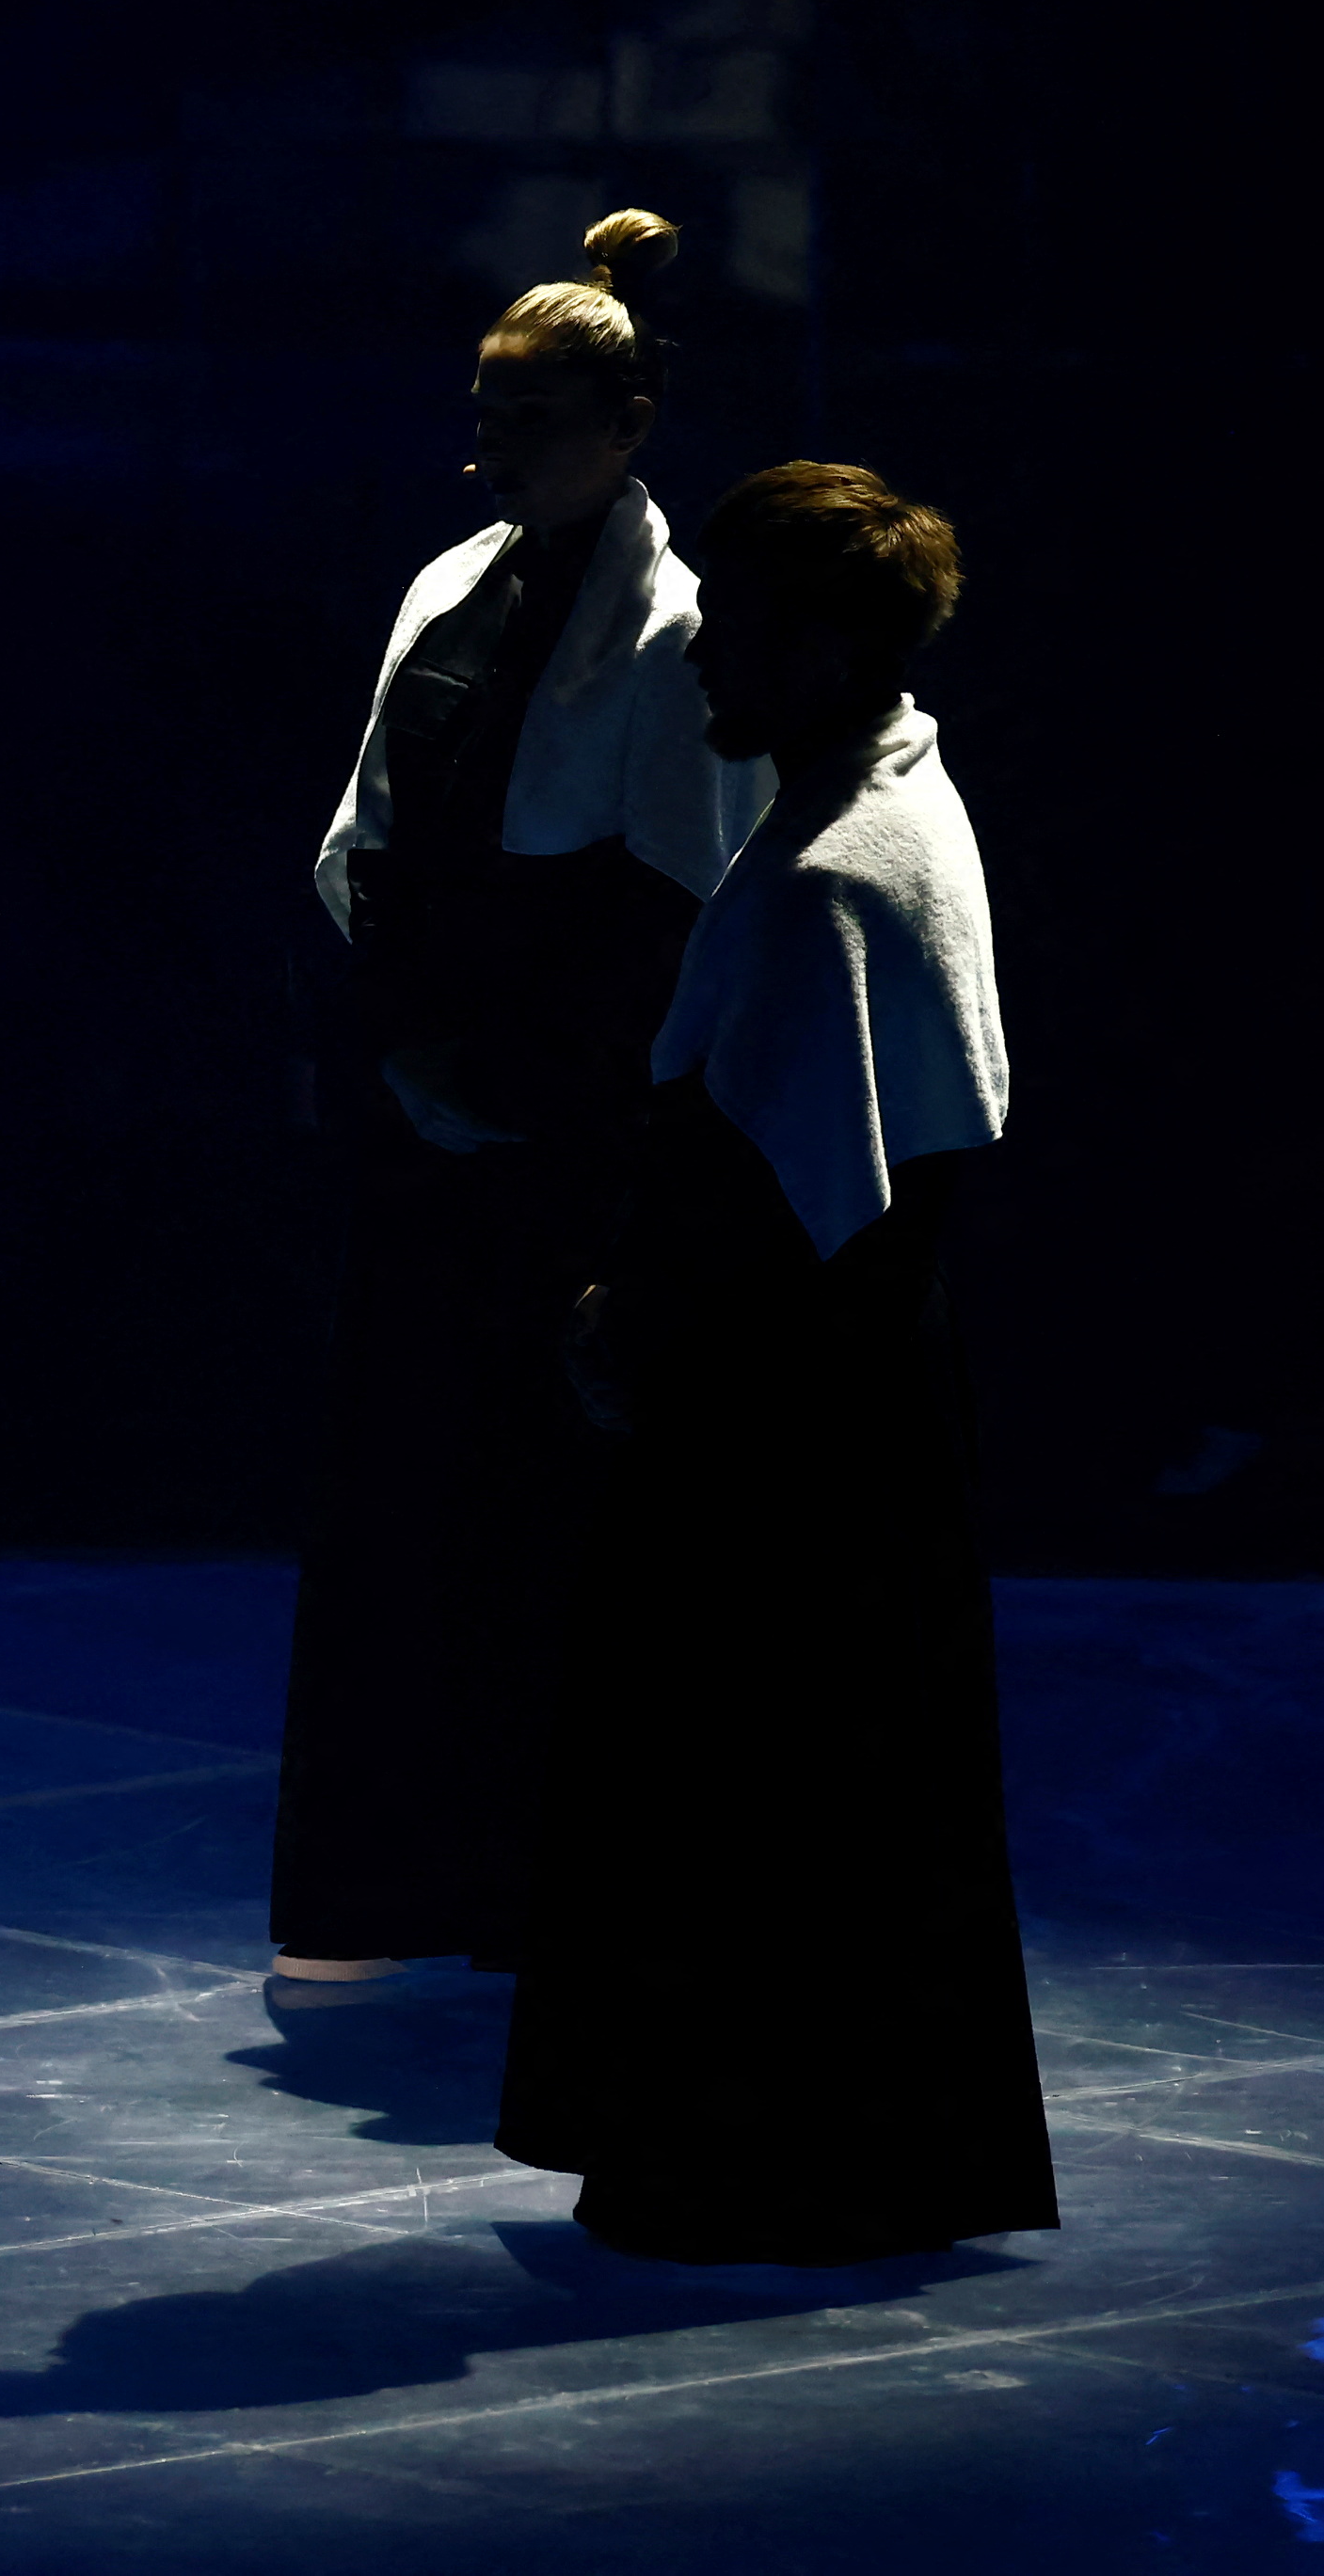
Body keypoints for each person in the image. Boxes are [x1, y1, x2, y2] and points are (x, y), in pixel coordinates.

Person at [498, 462, 1050, 2264]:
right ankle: (840, 2145)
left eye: (736, 625)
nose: (702, 656)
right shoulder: (894, 788)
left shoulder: (828, 871)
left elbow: (774, 1177)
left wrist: (627, 1328)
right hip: (853, 1380)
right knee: (832, 1771)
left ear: (820, 646)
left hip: (784, 1405)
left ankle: (760, 2151)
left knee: (745, 1772)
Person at [274, 212, 773, 1980]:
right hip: (427, 1098)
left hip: (562, 1125)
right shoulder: (450, 580)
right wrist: (401, 1049)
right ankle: (395, 1878)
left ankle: (528, 1882)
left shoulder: (672, 635)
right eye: (484, 411)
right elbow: (372, 842)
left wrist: (522, 1085)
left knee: (532, 1510)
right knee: (403, 1492)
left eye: (531, 418)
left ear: (624, 426)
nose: (491, 449)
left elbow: (675, 908)